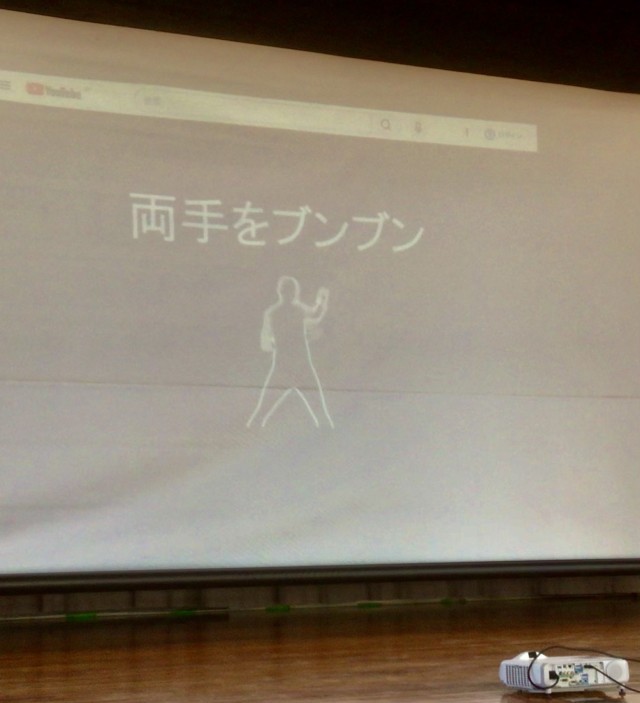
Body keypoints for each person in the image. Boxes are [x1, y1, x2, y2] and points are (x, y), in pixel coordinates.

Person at [247, 276, 334, 428]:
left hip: (284, 364)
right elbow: (315, 315)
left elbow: (265, 342)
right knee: (318, 406)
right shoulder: (297, 310)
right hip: (299, 364)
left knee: (263, 408)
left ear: (280, 291)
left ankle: (252, 428)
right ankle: (327, 430)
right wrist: (320, 301)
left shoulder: (272, 313)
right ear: (294, 292)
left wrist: (274, 343)